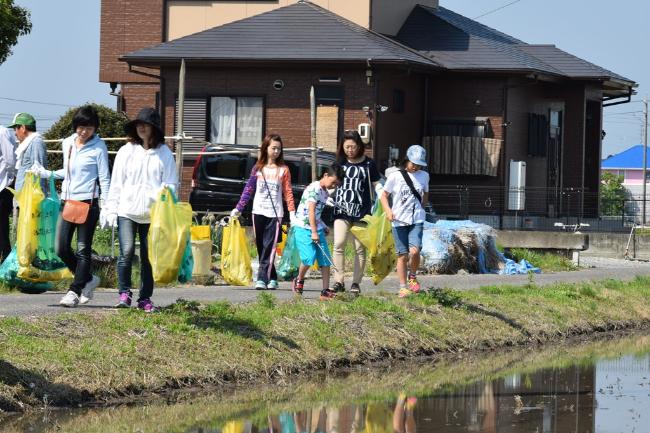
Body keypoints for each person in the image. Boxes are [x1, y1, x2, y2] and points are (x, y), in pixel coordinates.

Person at [32, 106, 111, 307]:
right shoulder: (67, 143)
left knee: (83, 249)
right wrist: (46, 173)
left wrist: (107, 206)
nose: (84, 131)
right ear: (75, 126)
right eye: (81, 127)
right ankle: (89, 279)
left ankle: (74, 291)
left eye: (89, 128)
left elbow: (104, 177)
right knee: (60, 248)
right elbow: (68, 171)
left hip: (88, 203)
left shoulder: (98, 146)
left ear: (95, 128)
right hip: (67, 201)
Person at [101, 107, 177, 312]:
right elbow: (117, 182)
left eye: (146, 125)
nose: (142, 128)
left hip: (153, 214)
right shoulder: (126, 151)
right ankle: (124, 293)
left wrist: (164, 190)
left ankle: (145, 298)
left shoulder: (164, 153)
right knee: (125, 252)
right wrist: (110, 208)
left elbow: (171, 183)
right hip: (127, 210)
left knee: (147, 256)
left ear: (154, 128)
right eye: (139, 124)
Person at [230, 134, 296, 290]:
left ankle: (261, 278)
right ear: (265, 148)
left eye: (279, 149)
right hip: (258, 211)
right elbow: (249, 189)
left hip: (275, 214)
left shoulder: (284, 170)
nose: (276, 151)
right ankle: (272, 277)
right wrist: (239, 208)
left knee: (270, 246)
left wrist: (292, 212)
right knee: (261, 246)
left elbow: (288, 192)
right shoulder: (257, 169)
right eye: (273, 148)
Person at [331, 130, 381, 295]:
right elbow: (331, 184)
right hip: (341, 209)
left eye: (352, 147)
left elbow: (376, 184)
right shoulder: (339, 163)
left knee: (359, 248)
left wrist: (383, 198)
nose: (350, 150)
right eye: (346, 147)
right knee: (338, 244)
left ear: (359, 146)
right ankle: (338, 280)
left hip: (362, 212)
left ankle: (356, 283)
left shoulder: (369, 164)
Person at [379, 145, 429, 298]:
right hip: (399, 220)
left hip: (417, 219)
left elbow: (425, 194)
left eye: (419, 164)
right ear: (407, 160)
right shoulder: (395, 176)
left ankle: (412, 276)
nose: (416, 166)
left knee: (415, 251)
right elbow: (383, 195)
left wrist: (422, 207)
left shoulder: (425, 176)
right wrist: (388, 211)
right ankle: (402, 287)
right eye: (413, 163)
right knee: (403, 255)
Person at [291, 164, 342, 300]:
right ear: (325, 176)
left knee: (325, 259)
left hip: (316, 227)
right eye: (333, 182)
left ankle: (325, 291)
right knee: (309, 258)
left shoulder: (324, 192)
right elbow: (311, 211)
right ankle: (299, 279)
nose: (334, 186)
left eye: (336, 184)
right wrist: (314, 232)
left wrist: (323, 226)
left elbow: (317, 214)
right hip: (303, 228)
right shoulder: (314, 188)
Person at [8, 112, 47, 194]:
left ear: (23, 128)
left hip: (32, 199)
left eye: (15, 129)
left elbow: (39, 171)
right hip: (25, 198)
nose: (15, 133)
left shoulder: (36, 142)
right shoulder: (27, 144)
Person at [0, 126, 16, 261]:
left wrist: (10, 179)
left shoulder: (2, 132)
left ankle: (5, 262)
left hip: (2, 186)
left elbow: (10, 160)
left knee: (1, 228)